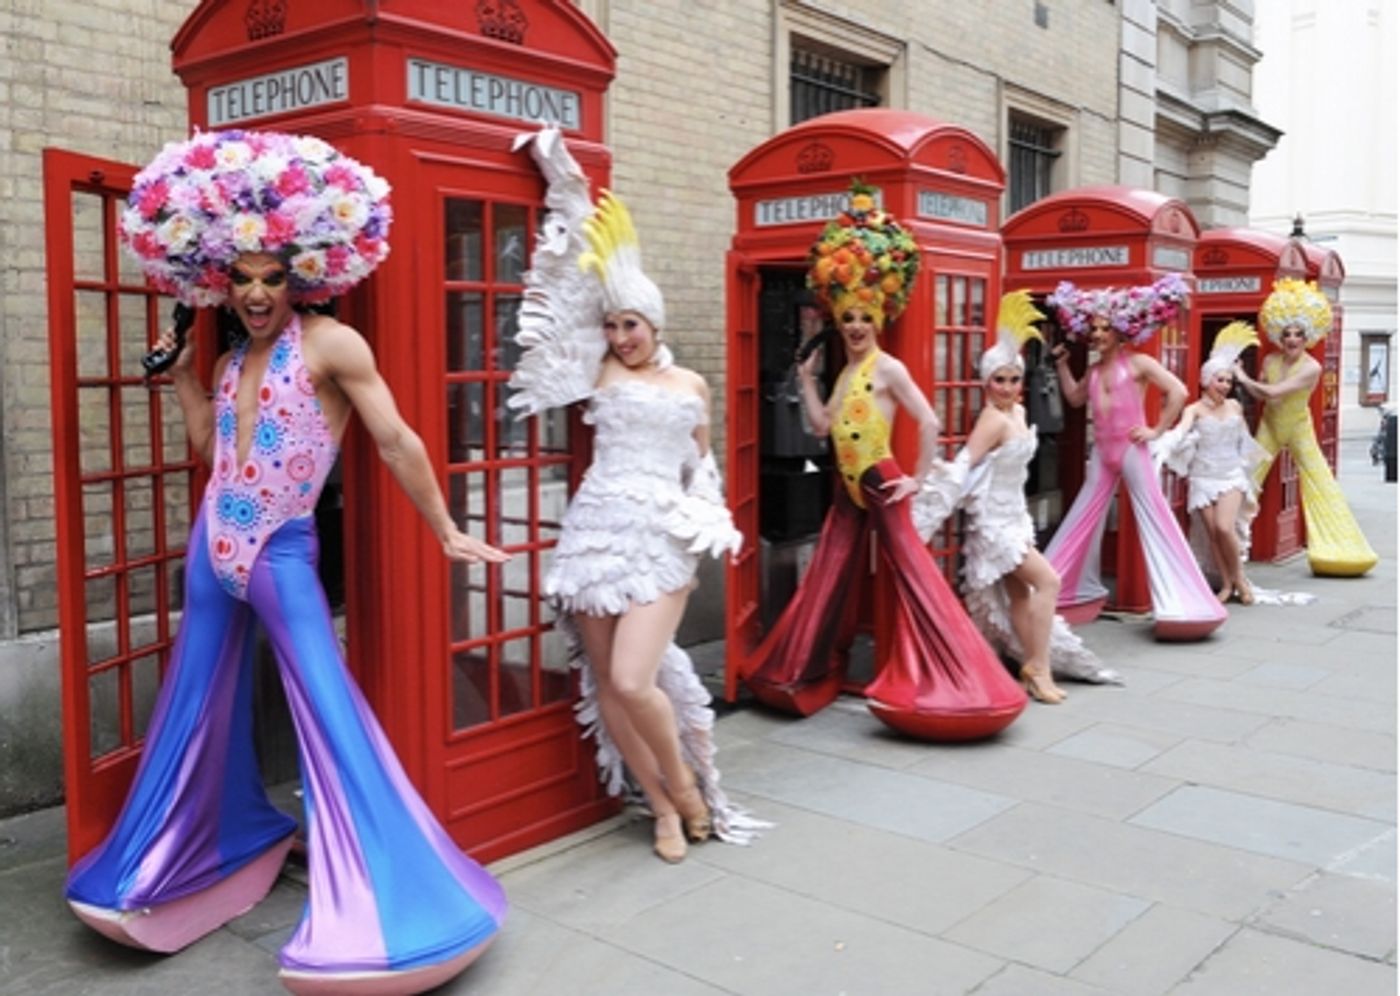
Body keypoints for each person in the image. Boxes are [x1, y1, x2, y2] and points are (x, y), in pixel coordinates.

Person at [65, 129, 508, 996]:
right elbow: (209, 449)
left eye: (274, 278)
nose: (259, 293)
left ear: (300, 277)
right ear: (222, 284)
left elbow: (396, 436)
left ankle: (407, 904)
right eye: (244, 279)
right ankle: (176, 860)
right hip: (212, 554)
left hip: (281, 551)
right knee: (189, 710)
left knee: (329, 716)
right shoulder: (230, 360)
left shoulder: (331, 345)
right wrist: (183, 379)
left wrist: (445, 527)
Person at [509, 127, 763, 864]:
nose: (621, 336)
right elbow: (566, 287)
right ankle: (658, 807)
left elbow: (702, 464)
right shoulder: (599, 373)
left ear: (656, 324)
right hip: (593, 531)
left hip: (660, 535)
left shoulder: (692, 384)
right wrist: (567, 191)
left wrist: (707, 517)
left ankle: (685, 786)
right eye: (614, 325)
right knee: (610, 685)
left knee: (633, 674)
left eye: (633, 324)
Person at [740, 182, 1026, 741]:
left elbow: (930, 420)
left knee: (916, 578)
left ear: (878, 318)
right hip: (847, 487)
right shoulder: (845, 372)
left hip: (881, 480)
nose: (854, 326)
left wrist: (914, 480)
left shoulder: (889, 366)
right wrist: (803, 382)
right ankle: (797, 671)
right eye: (847, 317)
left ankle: (961, 681)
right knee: (826, 573)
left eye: (863, 318)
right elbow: (823, 428)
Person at [914, 291, 1122, 703]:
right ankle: (1038, 667)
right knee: (1049, 581)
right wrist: (925, 494)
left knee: (1023, 594)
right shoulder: (992, 419)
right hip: (993, 525)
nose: (1007, 388)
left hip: (1016, 516)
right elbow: (964, 463)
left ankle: (1030, 664)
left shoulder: (1021, 413)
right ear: (986, 382)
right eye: (999, 380)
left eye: (1013, 379)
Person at [1043, 276, 1227, 641]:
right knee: (1081, 516)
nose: (1096, 336)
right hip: (1102, 451)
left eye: (1104, 329)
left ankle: (1184, 602)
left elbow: (1178, 391)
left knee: (1155, 517)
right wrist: (1063, 365)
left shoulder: (1139, 363)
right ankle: (1057, 591)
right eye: (1092, 329)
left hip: (1131, 448)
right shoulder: (1094, 371)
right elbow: (1076, 400)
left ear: (1120, 332)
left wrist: (1157, 430)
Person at [1233, 278, 1378, 577]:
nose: (1293, 339)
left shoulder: (1311, 367)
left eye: (1299, 334)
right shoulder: (1271, 359)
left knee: (1320, 482)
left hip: (1298, 427)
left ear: (1308, 335)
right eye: (1287, 333)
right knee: (1246, 478)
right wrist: (1251, 384)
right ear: (1279, 334)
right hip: (1270, 425)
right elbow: (1261, 394)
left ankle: (1344, 548)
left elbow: (1270, 393)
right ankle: (1229, 545)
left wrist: (1242, 377)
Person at [1155, 322, 1269, 604]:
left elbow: (1244, 439)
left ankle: (1241, 578)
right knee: (1213, 535)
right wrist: (1159, 441)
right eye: (1220, 380)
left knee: (1224, 527)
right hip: (1202, 477)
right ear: (1206, 380)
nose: (1225, 386)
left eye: (1229, 381)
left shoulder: (1235, 407)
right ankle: (1227, 584)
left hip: (1229, 474)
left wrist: (1251, 467)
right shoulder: (1193, 409)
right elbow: (1180, 430)